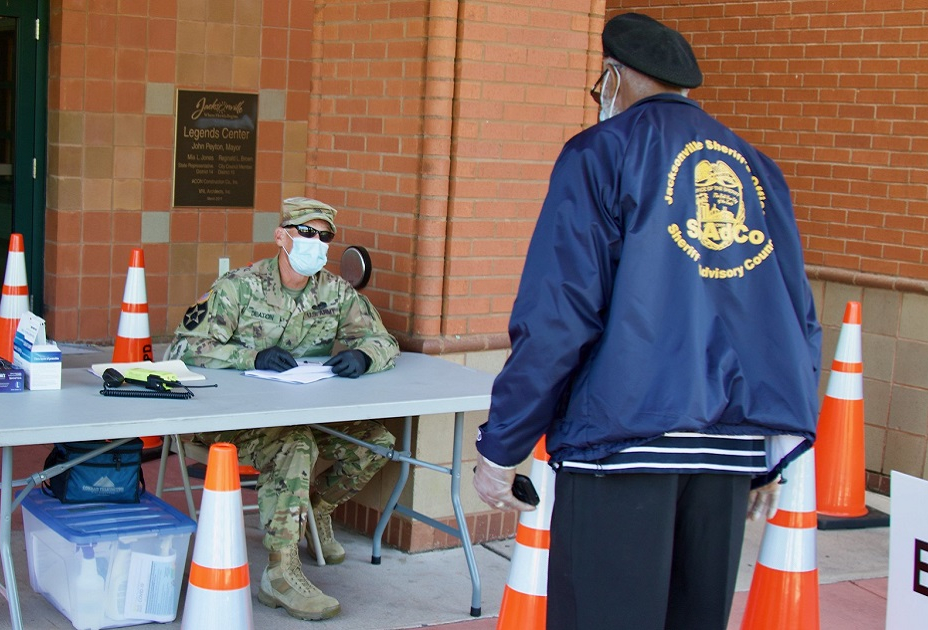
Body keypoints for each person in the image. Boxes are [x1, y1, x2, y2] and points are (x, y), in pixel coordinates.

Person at [472, 13, 822, 630]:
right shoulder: (758, 168)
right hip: (727, 449)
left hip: (622, 438)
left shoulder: (601, 153)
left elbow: (560, 314)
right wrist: (776, 446)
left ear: (613, 76)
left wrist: (503, 443)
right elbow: (793, 313)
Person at [166, 197, 400, 621]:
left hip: (305, 413)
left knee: (376, 442)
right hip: (234, 423)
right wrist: (250, 357)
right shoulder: (239, 286)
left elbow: (384, 341)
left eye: (324, 236)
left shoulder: (336, 291)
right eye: (305, 232)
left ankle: (318, 509)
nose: (315, 242)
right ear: (281, 236)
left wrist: (364, 356)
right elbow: (183, 349)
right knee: (295, 445)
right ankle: (280, 574)